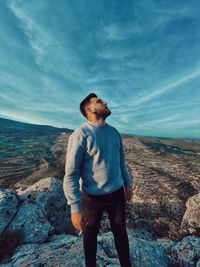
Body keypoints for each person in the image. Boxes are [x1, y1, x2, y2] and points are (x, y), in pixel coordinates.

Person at [63, 93, 133, 267]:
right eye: (100, 101)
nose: (105, 102)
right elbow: (71, 174)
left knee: (121, 233)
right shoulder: (80, 135)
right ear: (89, 109)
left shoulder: (115, 133)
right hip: (92, 198)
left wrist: (128, 184)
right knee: (90, 237)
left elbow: (121, 162)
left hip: (117, 194)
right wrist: (75, 208)